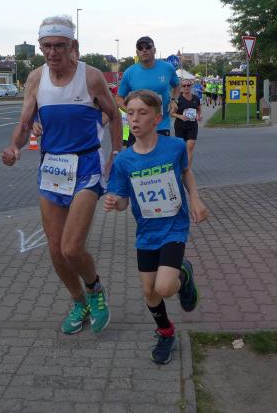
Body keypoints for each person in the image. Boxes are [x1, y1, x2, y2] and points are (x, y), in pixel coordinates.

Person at [2, 15, 121, 335]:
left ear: (73, 46)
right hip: (52, 168)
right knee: (55, 249)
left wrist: (116, 154)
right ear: (40, 47)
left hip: (86, 166)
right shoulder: (35, 78)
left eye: (59, 46)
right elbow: (25, 122)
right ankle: (79, 302)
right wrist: (14, 147)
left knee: (71, 248)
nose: (53, 52)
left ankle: (96, 291)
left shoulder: (91, 77)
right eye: (47, 46)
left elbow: (114, 114)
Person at [104, 89, 207, 364]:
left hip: (174, 226)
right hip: (146, 232)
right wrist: (115, 202)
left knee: (163, 287)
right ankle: (166, 332)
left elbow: (185, 172)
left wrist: (195, 198)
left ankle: (183, 274)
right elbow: (123, 201)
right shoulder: (124, 160)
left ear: (157, 118)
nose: (135, 119)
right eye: (130, 113)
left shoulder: (174, 147)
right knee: (149, 291)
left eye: (142, 113)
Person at [116, 36, 180, 146]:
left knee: (160, 157)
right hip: (138, 126)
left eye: (148, 47)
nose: (144, 50)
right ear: (137, 52)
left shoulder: (167, 68)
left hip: (160, 125)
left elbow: (177, 86)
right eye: (140, 48)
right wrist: (131, 111)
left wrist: (174, 100)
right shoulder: (130, 72)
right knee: (133, 156)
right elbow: (119, 97)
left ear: (154, 50)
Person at [171, 79, 202, 166]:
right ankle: (181, 166)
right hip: (180, 126)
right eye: (184, 85)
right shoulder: (178, 99)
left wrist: (199, 115)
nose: (186, 87)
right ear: (181, 87)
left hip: (192, 126)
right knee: (181, 148)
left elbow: (199, 109)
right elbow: (171, 113)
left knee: (190, 148)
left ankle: (187, 169)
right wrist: (180, 116)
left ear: (191, 86)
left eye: (188, 85)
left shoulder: (195, 98)